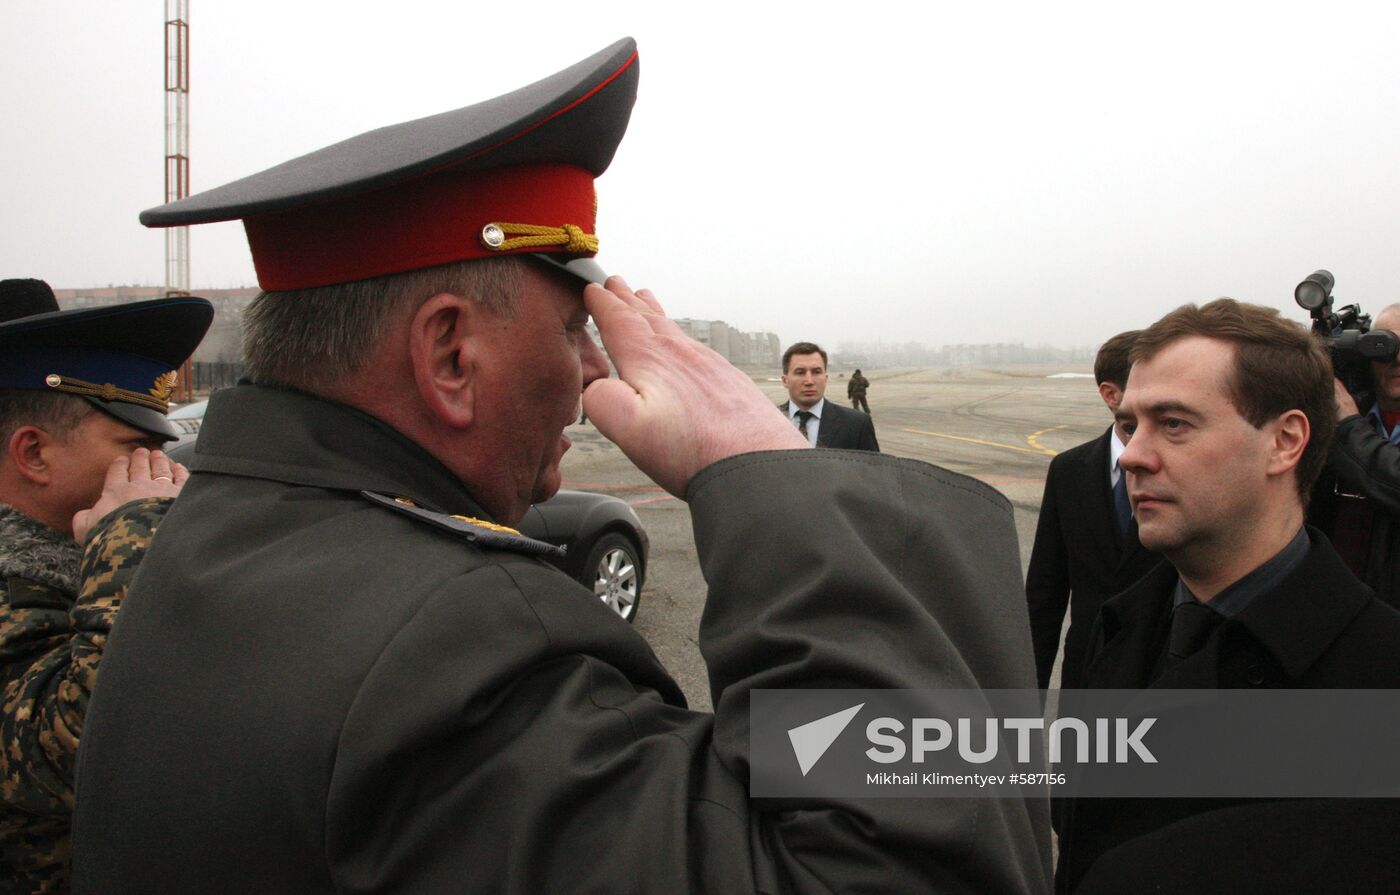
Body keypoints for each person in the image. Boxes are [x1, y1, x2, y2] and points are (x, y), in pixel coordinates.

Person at [71, 39, 1049, 894]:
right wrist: (761, 469)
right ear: (451, 355)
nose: (593, 369)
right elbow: (901, 867)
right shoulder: (451, 650)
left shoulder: (210, 533)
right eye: (575, 326)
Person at [1055, 299, 1400, 893]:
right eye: (1131, 425)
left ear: (1285, 441)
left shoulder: (1380, 674)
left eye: (1175, 424)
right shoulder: (1120, 627)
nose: (1132, 455)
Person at [0, 278, 211, 892]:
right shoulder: (101, 555)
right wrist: (131, 538)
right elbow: (90, 752)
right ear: (33, 454)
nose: (163, 471)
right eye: (135, 447)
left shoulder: (73, 560)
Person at [1024, 330, 1160, 690]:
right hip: (1086, 678)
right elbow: (1044, 596)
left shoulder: (1186, 466)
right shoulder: (1069, 470)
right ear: (1111, 395)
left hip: (1162, 678)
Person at [1308, 302, 1400, 608]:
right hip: (1334, 607)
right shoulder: (1338, 417)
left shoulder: (1347, 425)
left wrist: (1348, 427)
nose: (1397, 358)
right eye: (1385, 345)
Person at [777, 342, 879, 451]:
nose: (809, 381)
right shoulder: (767, 422)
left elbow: (873, 467)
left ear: (825, 378)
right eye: (800, 372)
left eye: (816, 372)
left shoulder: (857, 424)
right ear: (785, 380)